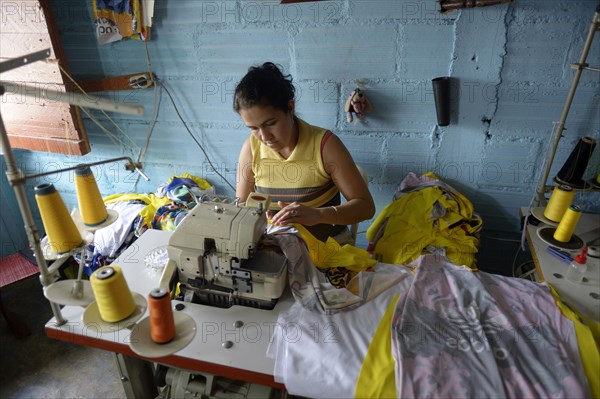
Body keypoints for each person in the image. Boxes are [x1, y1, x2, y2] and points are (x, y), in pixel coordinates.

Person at [234, 62, 375, 243]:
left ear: (290, 108)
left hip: (327, 248)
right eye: (253, 128)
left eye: (270, 123)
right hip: (277, 249)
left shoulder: (325, 145)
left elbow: (365, 207)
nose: (264, 136)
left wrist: (318, 215)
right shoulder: (251, 148)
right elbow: (241, 209)